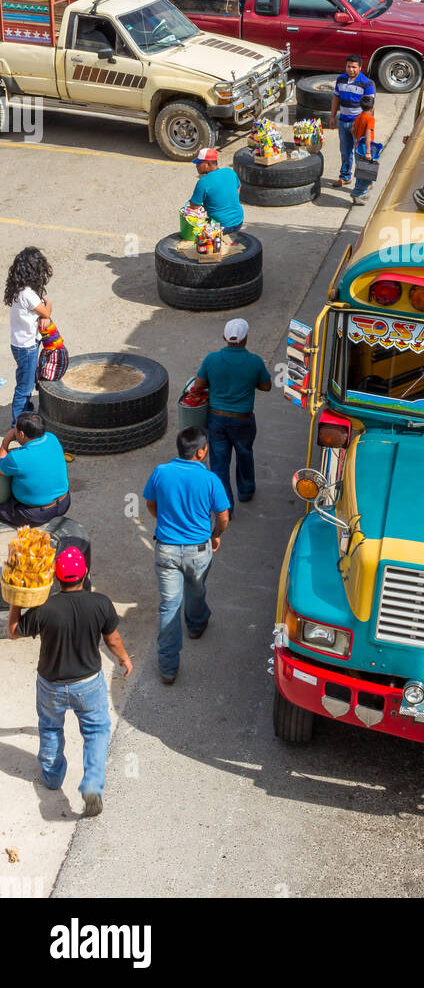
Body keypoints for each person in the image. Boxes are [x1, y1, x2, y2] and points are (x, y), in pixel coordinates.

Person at [7, 545, 131, 817]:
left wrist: (16, 599)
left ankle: (52, 777)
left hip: (51, 683)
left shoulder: (44, 608)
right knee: (97, 731)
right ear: (85, 573)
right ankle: (92, 784)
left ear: (55, 576)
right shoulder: (101, 603)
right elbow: (112, 640)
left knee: (51, 728)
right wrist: (124, 658)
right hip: (89, 683)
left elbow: (14, 632)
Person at [142, 426, 231, 683]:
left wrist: (167, 521)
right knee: (196, 589)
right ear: (201, 452)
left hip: (165, 550)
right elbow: (223, 516)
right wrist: (216, 535)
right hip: (199, 551)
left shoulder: (161, 472)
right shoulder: (211, 480)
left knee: (169, 606)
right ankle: (195, 626)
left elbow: (151, 504)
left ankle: (168, 668)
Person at [191, 319, 271, 515]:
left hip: (216, 419)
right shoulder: (255, 361)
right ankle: (245, 491)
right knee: (244, 453)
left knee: (219, 462)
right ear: (246, 338)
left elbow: (199, 385)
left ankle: (225, 508)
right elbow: (266, 386)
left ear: (224, 338)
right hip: (243, 420)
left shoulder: (212, 359)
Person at [4, 246, 53, 425]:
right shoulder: (29, 294)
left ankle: (26, 411)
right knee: (24, 387)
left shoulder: (18, 290)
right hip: (27, 347)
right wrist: (49, 304)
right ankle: (17, 424)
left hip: (18, 344)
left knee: (25, 377)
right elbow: (46, 311)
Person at [0, 412, 70, 525]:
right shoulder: (52, 438)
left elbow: (1, 468)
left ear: (21, 434)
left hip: (36, 514)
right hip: (64, 502)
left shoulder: (16, 458)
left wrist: (5, 442)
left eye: (15, 429)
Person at [330, 56, 375, 188]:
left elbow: (370, 107)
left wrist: (364, 125)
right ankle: (345, 177)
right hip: (343, 122)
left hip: (359, 124)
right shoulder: (341, 79)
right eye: (348, 66)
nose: (351, 69)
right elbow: (335, 99)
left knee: (362, 153)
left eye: (354, 67)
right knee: (345, 151)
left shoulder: (367, 84)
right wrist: (332, 117)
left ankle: (367, 180)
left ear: (360, 68)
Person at [189, 148, 244, 232]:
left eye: (199, 163)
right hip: (239, 221)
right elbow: (239, 186)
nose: (196, 165)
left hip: (220, 226)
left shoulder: (203, 182)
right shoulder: (230, 172)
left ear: (207, 164)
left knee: (196, 228)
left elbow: (194, 206)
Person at [351, 94, 376, 207]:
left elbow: (353, 130)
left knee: (362, 172)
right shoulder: (370, 119)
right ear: (373, 107)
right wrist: (368, 151)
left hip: (357, 148)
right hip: (365, 150)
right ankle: (356, 195)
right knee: (365, 174)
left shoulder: (359, 116)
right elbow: (368, 135)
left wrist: (357, 139)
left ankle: (362, 193)